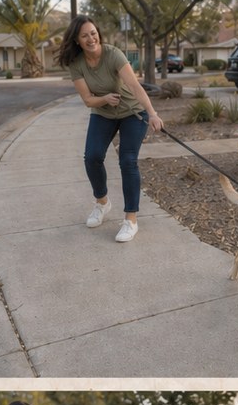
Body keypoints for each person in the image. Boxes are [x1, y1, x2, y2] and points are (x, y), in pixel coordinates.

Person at [55, 15, 164, 243]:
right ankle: (102, 203)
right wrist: (104, 98)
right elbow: (87, 100)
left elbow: (134, 85)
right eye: (84, 35)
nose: (91, 38)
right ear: (77, 40)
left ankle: (131, 220)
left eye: (93, 33)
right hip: (104, 113)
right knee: (92, 156)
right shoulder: (77, 64)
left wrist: (152, 113)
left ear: (98, 34)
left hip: (133, 113)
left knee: (127, 160)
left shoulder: (113, 54)